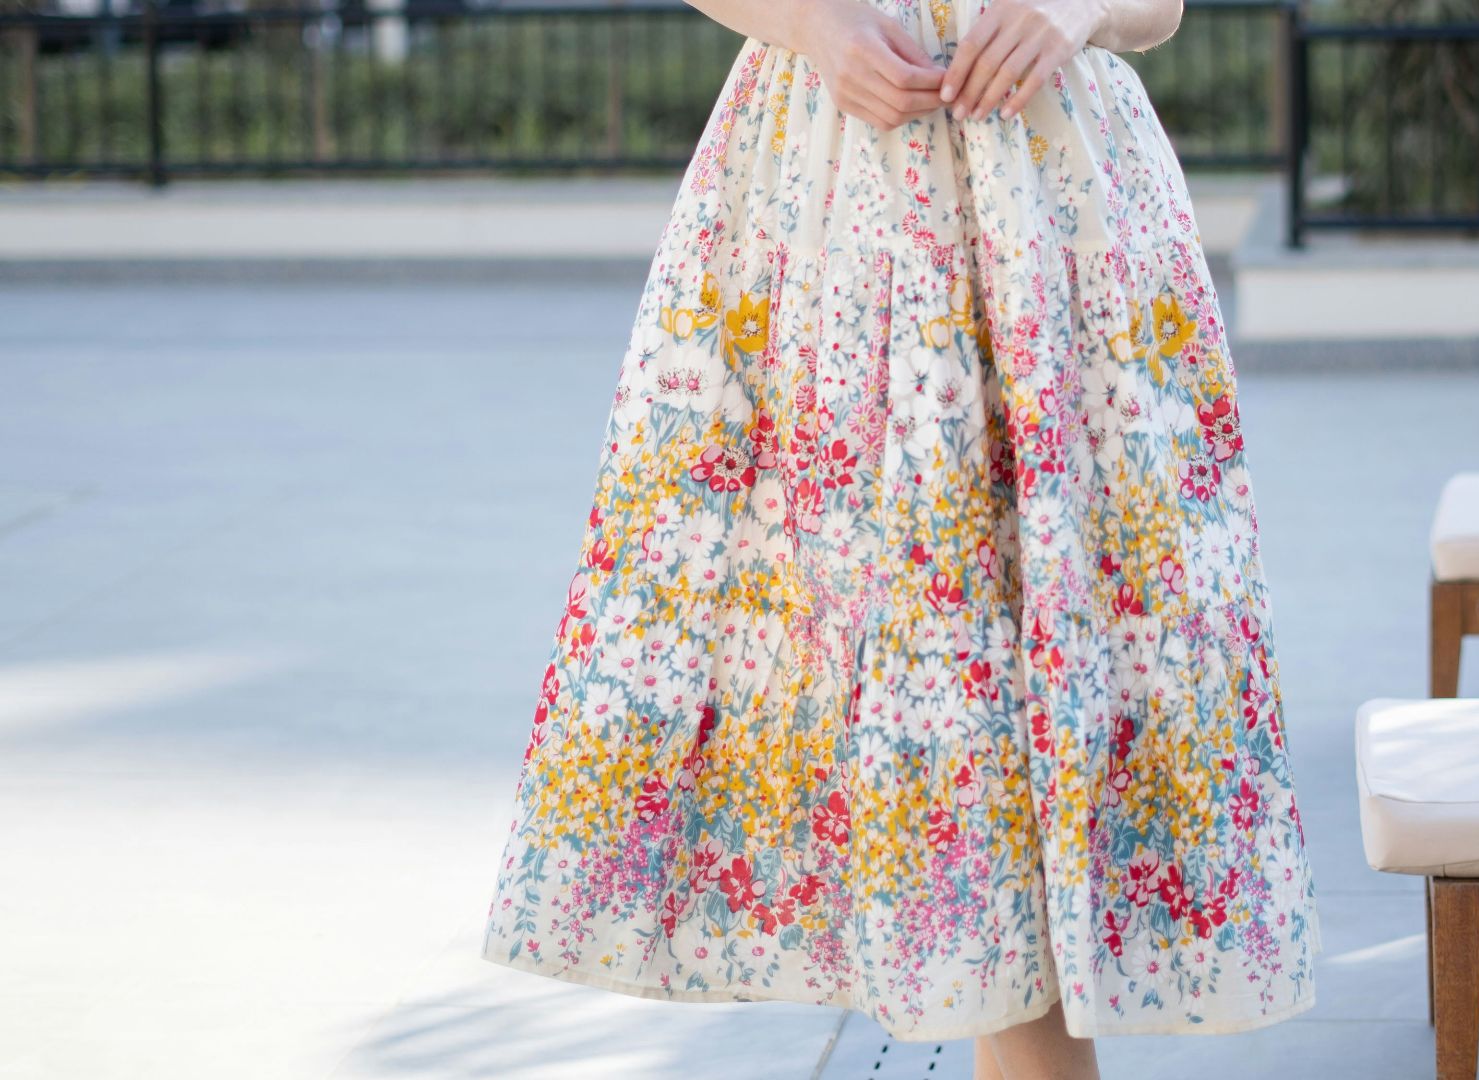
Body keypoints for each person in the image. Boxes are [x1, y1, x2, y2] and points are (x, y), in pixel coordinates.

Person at [478, 2, 1320, 1076]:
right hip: (835, 217)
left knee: (1046, 675)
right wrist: (817, 28)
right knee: (919, 690)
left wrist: (1070, 11)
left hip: (1055, 219)